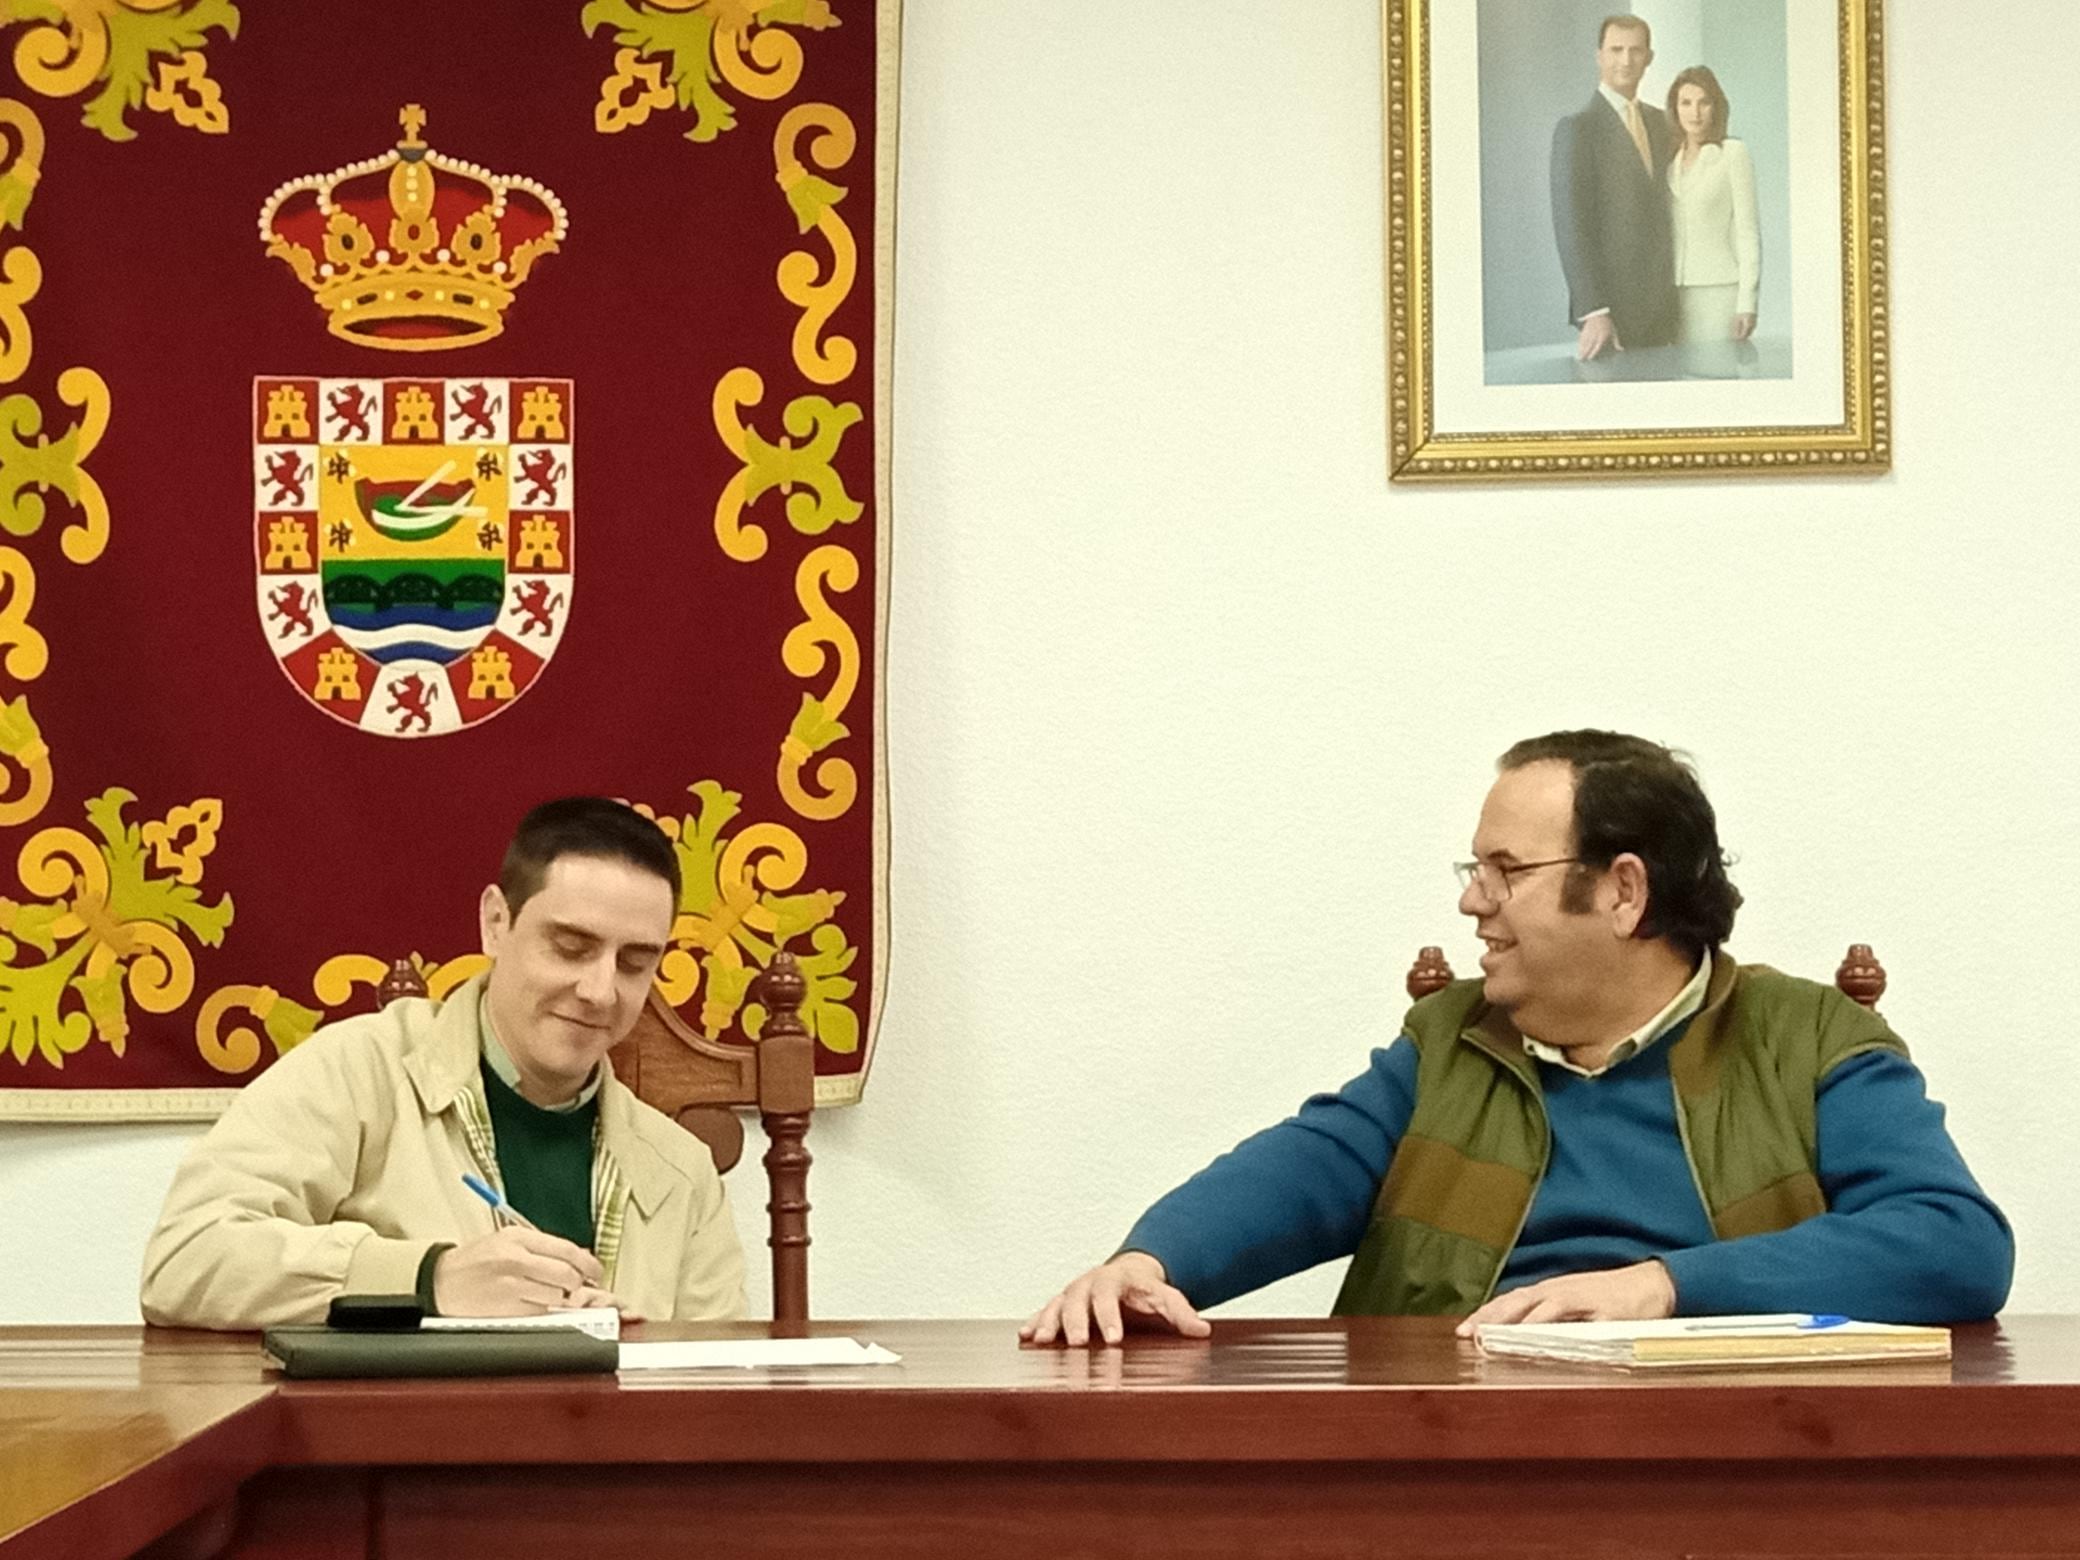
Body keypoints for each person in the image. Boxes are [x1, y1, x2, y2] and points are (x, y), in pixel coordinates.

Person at [1024, 731, 2013, 1347]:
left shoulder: (1807, 1038)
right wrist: (1149, 1263)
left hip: (1729, 1457)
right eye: (1473, 869)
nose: (1471, 901)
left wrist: (1662, 1288)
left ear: (1622, 890)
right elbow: (1307, 1166)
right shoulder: (1453, 1037)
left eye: (1503, 869)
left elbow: (1953, 1245)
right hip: (1452, 1450)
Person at [141, 797, 745, 1329]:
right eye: (571, 947)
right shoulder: (361, 1072)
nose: (600, 990)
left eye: (636, 962)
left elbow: (718, 1400)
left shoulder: (683, 1173)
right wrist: (429, 1279)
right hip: (389, 1453)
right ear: (496, 924)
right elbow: (184, 1261)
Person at [1551, 16, 1678, 361]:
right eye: (1616, 50)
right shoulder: (1577, 129)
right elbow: (1571, 226)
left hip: (1667, 311)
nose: (1626, 60)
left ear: (1649, 57)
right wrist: (1595, 311)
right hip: (1613, 315)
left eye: (1635, 50)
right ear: (1599, 56)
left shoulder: (1662, 122)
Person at [1666, 65, 1760, 348]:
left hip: (1719, 292)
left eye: (1704, 102)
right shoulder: (1670, 161)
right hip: (1673, 294)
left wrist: (1747, 302)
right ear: (1675, 108)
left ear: (1715, 108)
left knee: (1715, 374)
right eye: (1686, 103)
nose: (1695, 112)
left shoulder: (1732, 154)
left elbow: (1748, 232)